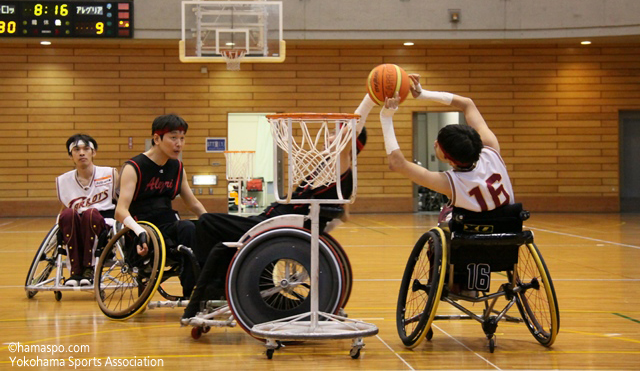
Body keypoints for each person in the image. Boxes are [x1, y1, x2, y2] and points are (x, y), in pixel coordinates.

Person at [181, 95, 375, 321]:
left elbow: (351, 131)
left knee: (207, 222)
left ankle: (209, 286)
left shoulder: (342, 164)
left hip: (278, 226)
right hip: (272, 220)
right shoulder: (330, 169)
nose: (328, 136)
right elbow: (345, 214)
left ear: (349, 142)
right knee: (216, 234)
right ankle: (218, 284)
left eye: (334, 133)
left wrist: (370, 98)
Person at [380, 74, 514, 213]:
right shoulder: (491, 150)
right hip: (510, 226)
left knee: (446, 215)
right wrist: (423, 94)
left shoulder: (450, 184)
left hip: (472, 231)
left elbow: (397, 163)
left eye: (438, 145)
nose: (435, 142)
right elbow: (467, 104)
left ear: (450, 160)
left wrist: (386, 117)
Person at [115, 114, 207, 298]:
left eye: (182, 138)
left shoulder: (177, 167)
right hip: (143, 230)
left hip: (170, 226)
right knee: (188, 228)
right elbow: (120, 210)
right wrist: (139, 231)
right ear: (156, 139)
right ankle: (193, 292)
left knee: (201, 229)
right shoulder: (134, 167)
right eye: (173, 138)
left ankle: (213, 286)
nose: (179, 144)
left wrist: (211, 223)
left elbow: (193, 203)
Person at [56, 134, 118, 287]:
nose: (82, 153)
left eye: (86, 149)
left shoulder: (110, 174)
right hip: (76, 223)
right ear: (71, 156)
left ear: (94, 152)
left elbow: (122, 202)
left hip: (104, 222)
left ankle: (89, 269)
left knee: (90, 214)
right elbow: (64, 208)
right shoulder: (63, 180)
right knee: (68, 214)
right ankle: (75, 271)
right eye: (76, 150)